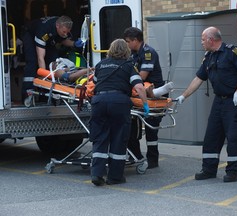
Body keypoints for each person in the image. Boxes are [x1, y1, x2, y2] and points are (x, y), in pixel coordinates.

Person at [176, 26, 237, 182]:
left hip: (234, 101)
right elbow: (199, 78)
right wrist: (183, 96)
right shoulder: (208, 57)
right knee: (212, 135)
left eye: (203, 39)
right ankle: (209, 169)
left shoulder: (232, 52)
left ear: (211, 39)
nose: (202, 42)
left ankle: (233, 171)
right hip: (219, 101)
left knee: (234, 137)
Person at [89, 39, 149, 186]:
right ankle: (115, 177)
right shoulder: (129, 66)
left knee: (100, 138)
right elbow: (140, 87)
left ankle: (97, 174)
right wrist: (145, 104)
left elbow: (95, 83)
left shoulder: (101, 64)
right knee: (118, 139)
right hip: (119, 103)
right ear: (126, 51)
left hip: (99, 102)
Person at [124, 27, 169, 169]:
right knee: (131, 127)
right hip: (139, 93)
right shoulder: (133, 53)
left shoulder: (148, 53)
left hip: (154, 94)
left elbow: (141, 76)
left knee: (151, 129)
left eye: (128, 42)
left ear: (136, 41)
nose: (127, 45)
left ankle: (153, 160)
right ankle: (135, 156)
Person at [21, 15, 84, 101]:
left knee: (54, 61)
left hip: (49, 38)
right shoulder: (44, 31)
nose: (65, 34)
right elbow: (40, 57)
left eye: (67, 32)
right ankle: (27, 92)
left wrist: (74, 44)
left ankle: (51, 92)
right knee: (32, 61)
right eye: (64, 32)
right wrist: (44, 78)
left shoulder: (62, 26)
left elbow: (63, 39)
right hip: (30, 34)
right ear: (57, 26)